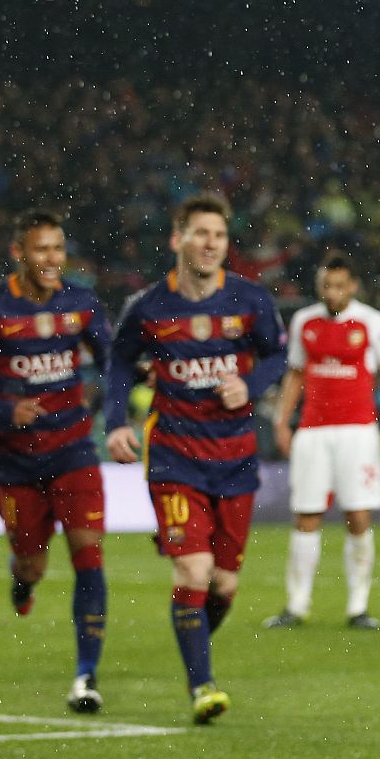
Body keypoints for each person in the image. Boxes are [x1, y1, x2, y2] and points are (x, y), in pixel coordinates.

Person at [104, 193, 286, 724]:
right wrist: (116, 422)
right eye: (200, 234)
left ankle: (193, 644)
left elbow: (277, 354)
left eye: (219, 237)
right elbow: (119, 362)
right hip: (173, 457)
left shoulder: (249, 301)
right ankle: (202, 685)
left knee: (225, 584)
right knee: (193, 568)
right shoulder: (149, 307)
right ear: (177, 239)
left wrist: (248, 384)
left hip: (235, 459)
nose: (210, 245)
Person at [0, 209, 113, 713]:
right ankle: (23, 580)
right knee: (33, 563)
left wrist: (122, 400)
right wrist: (3, 410)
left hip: (76, 451)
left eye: (58, 248)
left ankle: (86, 676)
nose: (53, 259)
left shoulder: (81, 304)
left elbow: (111, 364)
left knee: (89, 557)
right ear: (19, 254)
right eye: (42, 249)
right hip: (16, 463)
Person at [264, 251, 380, 631]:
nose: (332, 292)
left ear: (353, 286)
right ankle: (297, 606)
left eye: (339, 285)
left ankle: (358, 607)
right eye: (326, 285)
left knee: (358, 516)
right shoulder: (304, 321)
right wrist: (282, 421)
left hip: (358, 431)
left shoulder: (371, 322)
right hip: (312, 430)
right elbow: (295, 374)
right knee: (306, 515)